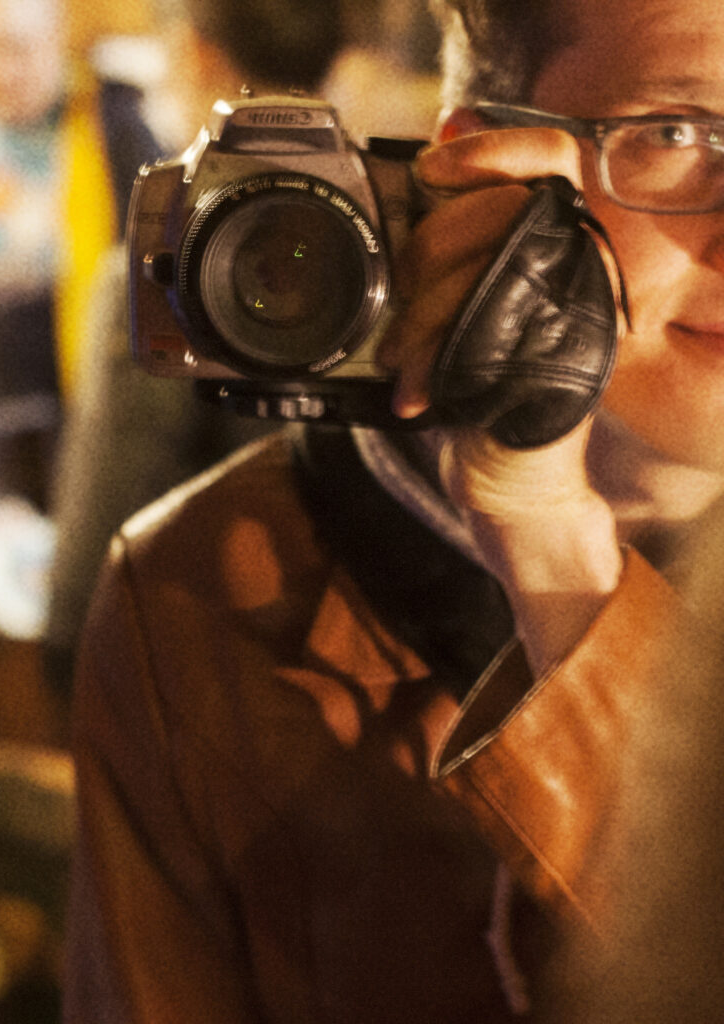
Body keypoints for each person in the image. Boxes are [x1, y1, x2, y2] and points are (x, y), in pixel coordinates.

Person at [65, 0, 724, 1019]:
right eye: (677, 133)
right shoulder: (204, 594)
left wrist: (558, 561)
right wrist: (526, 504)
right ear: (480, 169)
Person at [42, 0, 356, 698]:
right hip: (359, 660)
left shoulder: (177, 250)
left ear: (198, 53)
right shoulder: (378, 219)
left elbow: (117, 485)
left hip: (202, 669)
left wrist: (63, 651)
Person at [0, 0, 159, 511]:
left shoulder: (114, 126)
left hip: (80, 398)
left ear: (55, 43)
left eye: (17, 49)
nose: (1, 72)